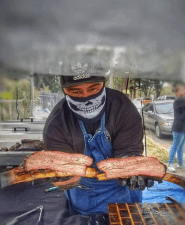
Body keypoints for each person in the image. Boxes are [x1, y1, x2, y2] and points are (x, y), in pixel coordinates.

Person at [43, 61, 153, 214]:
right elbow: (63, 170)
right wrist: (63, 179)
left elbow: (129, 151)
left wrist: (131, 166)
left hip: (123, 193)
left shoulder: (123, 109)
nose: (86, 97)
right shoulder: (56, 125)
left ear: (103, 83)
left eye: (93, 88)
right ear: (64, 90)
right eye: (75, 91)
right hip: (84, 194)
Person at [168, 84, 185, 172]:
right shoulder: (178, 101)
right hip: (179, 128)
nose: (184, 90)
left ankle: (180, 163)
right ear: (177, 92)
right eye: (182, 89)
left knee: (181, 147)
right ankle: (170, 164)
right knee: (175, 146)